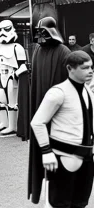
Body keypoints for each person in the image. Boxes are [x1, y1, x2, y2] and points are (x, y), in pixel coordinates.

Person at [31, 51, 94, 208]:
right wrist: (46, 151)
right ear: (70, 68)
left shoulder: (89, 92)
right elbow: (37, 122)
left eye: (92, 67)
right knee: (59, 203)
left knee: (80, 202)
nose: (91, 71)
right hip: (63, 157)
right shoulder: (58, 93)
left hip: (86, 157)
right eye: (85, 68)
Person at [28, 16, 71, 204]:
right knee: (44, 154)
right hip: (42, 112)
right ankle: (48, 196)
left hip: (58, 115)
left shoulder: (64, 52)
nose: (41, 38)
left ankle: (55, 198)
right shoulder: (38, 51)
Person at [0, 20, 29, 139]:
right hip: (1, 76)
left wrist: (15, 75)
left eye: (7, 29)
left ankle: (13, 126)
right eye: (1, 29)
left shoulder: (17, 47)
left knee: (12, 102)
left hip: (11, 76)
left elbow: (23, 66)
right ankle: (4, 122)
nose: (3, 32)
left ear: (12, 29)